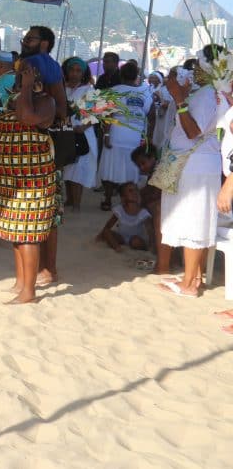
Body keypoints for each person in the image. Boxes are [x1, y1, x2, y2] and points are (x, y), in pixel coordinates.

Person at [157, 51, 226, 296]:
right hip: (195, 163)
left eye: (198, 64)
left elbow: (193, 131)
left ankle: (188, 285)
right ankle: (193, 277)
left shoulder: (209, 94)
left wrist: (179, 99)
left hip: (195, 164)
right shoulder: (208, 92)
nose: (194, 68)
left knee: (194, 220)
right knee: (191, 217)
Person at [0, 61, 57, 304]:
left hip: (34, 180)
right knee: (15, 231)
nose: (19, 79)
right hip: (12, 179)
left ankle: (28, 292)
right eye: (21, 76)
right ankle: (21, 281)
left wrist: (28, 89)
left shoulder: (45, 102)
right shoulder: (15, 100)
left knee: (28, 233)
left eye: (26, 76)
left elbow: (28, 117)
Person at [98, 62, 150, 211]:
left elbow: (107, 114)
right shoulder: (145, 92)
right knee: (131, 170)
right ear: (137, 76)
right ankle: (128, 201)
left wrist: (106, 134)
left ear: (120, 75)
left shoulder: (113, 91)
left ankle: (107, 199)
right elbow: (150, 114)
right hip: (135, 136)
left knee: (110, 168)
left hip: (116, 134)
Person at [62, 57, 98, 210]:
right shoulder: (62, 88)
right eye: (72, 70)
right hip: (64, 132)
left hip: (83, 134)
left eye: (78, 71)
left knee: (78, 170)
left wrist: (83, 127)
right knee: (67, 169)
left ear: (83, 72)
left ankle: (76, 203)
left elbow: (97, 113)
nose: (75, 73)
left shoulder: (89, 90)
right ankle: (69, 199)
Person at [97, 182, 151, 252]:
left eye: (136, 190)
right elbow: (108, 225)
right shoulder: (119, 210)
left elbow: (150, 232)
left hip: (136, 239)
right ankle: (117, 248)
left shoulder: (143, 212)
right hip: (121, 237)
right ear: (123, 196)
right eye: (130, 191)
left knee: (135, 241)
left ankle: (143, 248)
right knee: (107, 231)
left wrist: (151, 245)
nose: (134, 192)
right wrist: (101, 235)